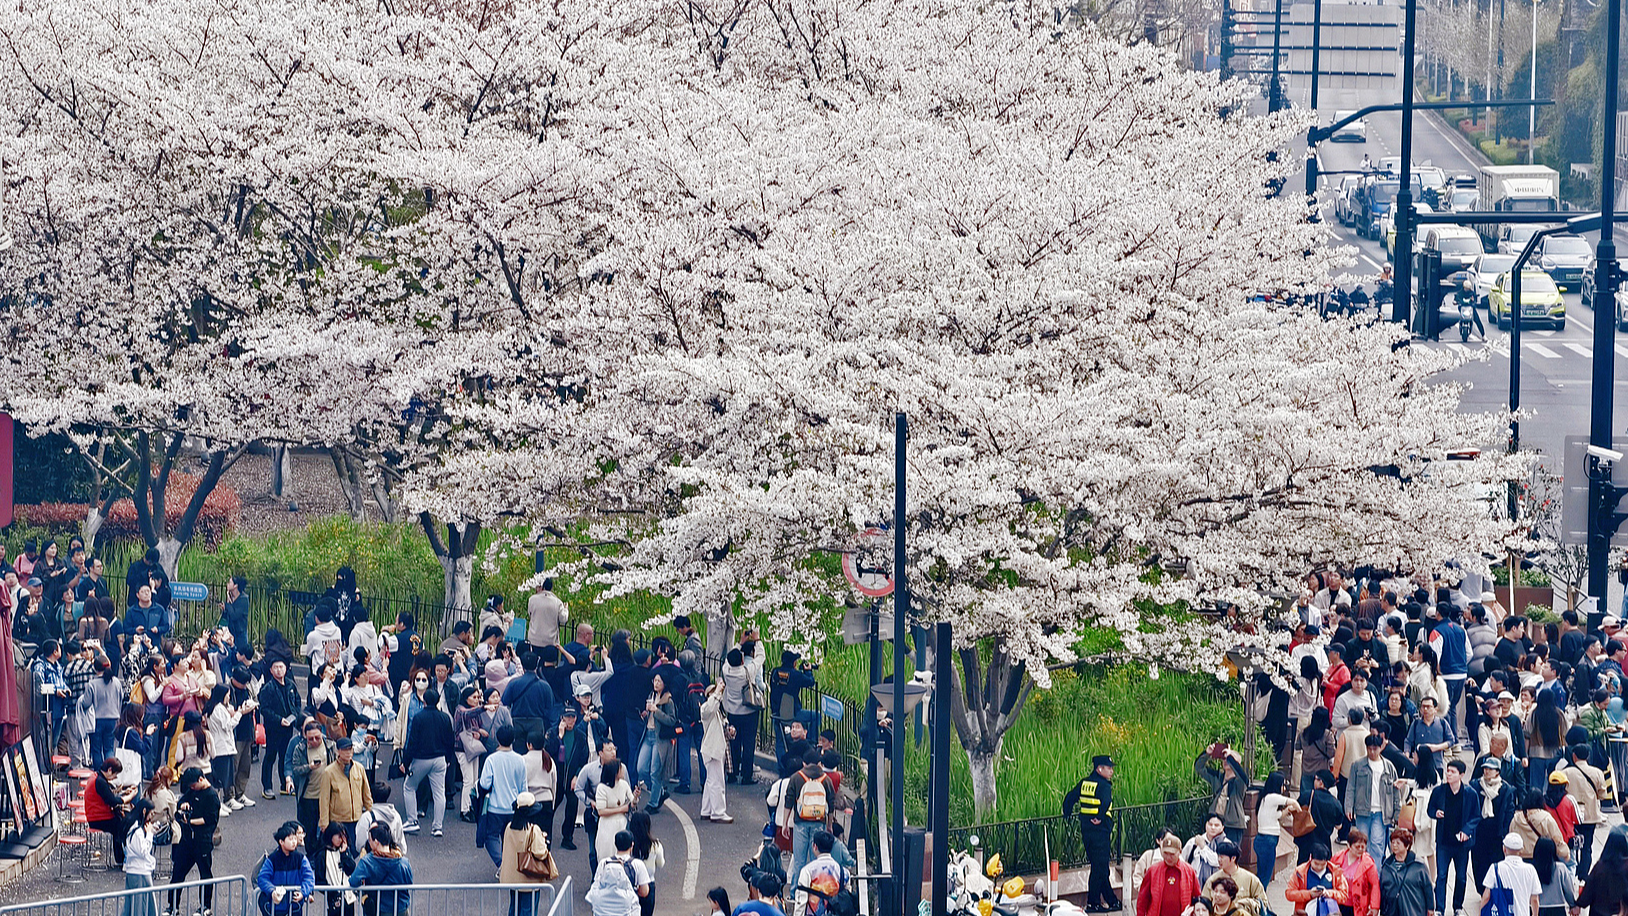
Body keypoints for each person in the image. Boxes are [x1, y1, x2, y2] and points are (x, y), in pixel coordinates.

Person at [1427, 759, 1480, 916]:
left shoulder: (1470, 794)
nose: (1448, 774)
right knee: (1441, 875)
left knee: (1462, 877)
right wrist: (1435, 813)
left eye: (1452, 772)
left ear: (1461, 775)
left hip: (1462, 844)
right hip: (1444, 841)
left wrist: (1466, 831)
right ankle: (1440, 908)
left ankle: (1457, 906)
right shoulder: (1439, 791)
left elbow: (1476, 816)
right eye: (1447, 771)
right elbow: (1430, 808)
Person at [168, 768, 222, 916]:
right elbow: (182, 801)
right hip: (187, 841)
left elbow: (209, 820)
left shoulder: (212, 796)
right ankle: (172, 906)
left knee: (205, 874)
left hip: (202, 841)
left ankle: (205, 907)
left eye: (193, 785)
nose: (191, 788)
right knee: (178, 873)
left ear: (200, 779)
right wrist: (182, 806)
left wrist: (190, 821)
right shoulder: (192, 791)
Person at [401, 687, 452, 838]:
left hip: (421, 759)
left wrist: (406, 761)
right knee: (439, 793)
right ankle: (437, 827)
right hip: (440, 759)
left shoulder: (419, 717)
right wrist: (448, 759)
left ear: (424, 700)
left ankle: (412, 821)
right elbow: (450, 740)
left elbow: (412, 741)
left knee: (409, 787)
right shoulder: (444, 717)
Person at [480, 725, 531, 867]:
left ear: (497, 739)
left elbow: (484, 783)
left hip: (495, 807)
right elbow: (523, 787)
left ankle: (501, 864)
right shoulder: (520, 759)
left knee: (491, 837)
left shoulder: (491, 759)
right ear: (513, 740)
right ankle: (510, 866)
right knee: (510, 838)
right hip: (514, 807)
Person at [781, 749, 835, 886]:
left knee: (799, 860)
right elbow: (831, 804)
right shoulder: (826, 779)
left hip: (800, 822)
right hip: (819, 822)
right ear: (819, 763)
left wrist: (785, 823)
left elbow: (788, 802)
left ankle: (796, 891)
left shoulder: (796, 778)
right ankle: (814, 890)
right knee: (815, 860)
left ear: (803, 763)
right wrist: (829, 825)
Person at [500, 792, 554, 916]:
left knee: (514, 907)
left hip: (512, 878)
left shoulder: (509, 827)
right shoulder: (533, 830)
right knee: (528, 910)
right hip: (529, 879)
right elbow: (541, 853)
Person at [317, 737, 373, 850]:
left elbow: (366, 794)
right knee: (338, 850)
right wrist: (324, 822)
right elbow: (324, 799)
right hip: (338, 820)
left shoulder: (359, 768)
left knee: (355, 849)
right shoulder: (329, 772)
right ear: (338, 751)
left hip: (356, 819)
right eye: (345, 750)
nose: (348, 753)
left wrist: (371, 815)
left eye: (350, 749)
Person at [291, 721, 336, 859]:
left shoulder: (330, 746)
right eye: (311, 738)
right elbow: (295, 769)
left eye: (317, 737)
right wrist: (309, 767)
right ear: (305, 736)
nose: (314, 741)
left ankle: (322, 856)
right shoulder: (300, 749)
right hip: (308, 797)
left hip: (326, 796)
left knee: (325, 828)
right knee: (309, 830)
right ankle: (311, 856)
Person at [348, 824, 414, 916]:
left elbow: (353, 881)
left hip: (380, 909)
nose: (369, 842)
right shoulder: (404, 863)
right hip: (401, 908)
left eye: (370, 839)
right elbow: (409, 882)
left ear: (376, 842)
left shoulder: (367, 862)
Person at [1558, 744, 1604, 873]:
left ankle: (1573, 869)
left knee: (1572, 844)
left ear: (1574, 756)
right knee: (1587, 846)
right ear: (1588, 756)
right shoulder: (1597, 772)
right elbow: (1602, 794)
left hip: (1571, 815)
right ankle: (1583, 875)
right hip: (1591, 815)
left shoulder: (1566, 772)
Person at [261, 659, 301, 799]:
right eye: (275, 668)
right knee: (270, 756)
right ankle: (267, 786)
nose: (279, 670)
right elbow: (264, 709)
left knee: (285, 756)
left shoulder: (291, 685)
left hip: (288, 726)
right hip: (274, 728)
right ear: (271, 670)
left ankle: (285, 784)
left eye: (281, 667)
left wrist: (294, 716)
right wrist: (279, 720)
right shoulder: (268, 688)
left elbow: (297, 702)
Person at [257, 821, 317, 916]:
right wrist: (272, 891)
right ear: (281, 842)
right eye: (290, 839)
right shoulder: (272, 859)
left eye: (294, 839)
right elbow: (262, 878)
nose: (294, 842)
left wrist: (303, 892)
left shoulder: (300, 858)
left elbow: (309, 878)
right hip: (273, 906)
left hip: (294, 906)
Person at [587, 830, 652, 916]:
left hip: (604, 911)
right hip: (628, 910)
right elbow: (644, 892)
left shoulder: (604, 863)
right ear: (632, 845)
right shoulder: (638, 864)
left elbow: (597, 885)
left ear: (615, 844)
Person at [87, 756, 136, 866]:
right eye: (115, 774)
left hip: (97, 815)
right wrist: (128, 797)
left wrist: (122, 792)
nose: (115, 777)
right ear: (109, 770)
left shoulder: (97, 777)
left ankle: (121, 857)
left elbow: (109, 795)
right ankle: (121, 858)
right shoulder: (100, 782)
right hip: (98, 818)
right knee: (122, 825)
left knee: (121, 822)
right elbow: (112, 801)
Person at [1475, 834, 1540, 916]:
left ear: (1504, 849)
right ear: (1521, 850)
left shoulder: (1495, 868)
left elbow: (1486, 896)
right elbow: (1534, 899)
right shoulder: (1530, 869)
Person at [1136, 833, 1200, 916]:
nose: (1168, 857)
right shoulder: (1153, 870)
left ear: (1180, 852)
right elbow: (1142, 899)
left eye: (1172, 854)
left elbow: (1197, 897)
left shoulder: (1189, 871)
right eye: (1165, 853)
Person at [698, 680, 733, 824]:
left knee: (710, 780)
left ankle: (706, 810)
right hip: (712, 749)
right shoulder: (706, 708)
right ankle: (718, 812)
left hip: (716, 748)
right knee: (717, 781)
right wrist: (717, 691)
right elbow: (709, 707)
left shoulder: (719, 713)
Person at [792, 830, 849, 916]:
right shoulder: (844, 872)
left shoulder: (807, 871)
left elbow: (801, 902)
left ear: (814, 846)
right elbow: (846, 899)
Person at [1253, 772, 1297, 883]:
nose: (1284, 788)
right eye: (1283, 785)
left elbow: (1276, 816)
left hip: (1262, 840)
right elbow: (1292, 801)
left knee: (1262, 873)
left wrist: (1286, 811)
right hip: (1268, 840)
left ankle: (1259, 898)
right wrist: (1302, 813)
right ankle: (1260, 899)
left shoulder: (1265, 799)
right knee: (1265, 876)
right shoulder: (1272, 797)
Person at [1203, 840, 1267, 916]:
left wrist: (1246, 903)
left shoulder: (1250, 878)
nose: (1219, 860)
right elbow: (1204, 903)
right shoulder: (1213, 879)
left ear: (1233, 858)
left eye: (1222, 857)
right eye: (1218, 856)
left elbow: (1263, 902)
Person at [1377, 828, 1431, 916]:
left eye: (1398, 843)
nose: (1394, 845)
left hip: (1414, 910)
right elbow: (1383, 890)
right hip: (1392, 911)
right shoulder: (1387, 866)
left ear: (1406, 845)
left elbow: (1427, 888)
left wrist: (1430, 907)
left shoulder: (1419, 866)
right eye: (1392, 842)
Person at [595, 760, 637, 872]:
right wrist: (622, 809)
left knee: (623, 856)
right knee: (606, 854)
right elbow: (601, 811)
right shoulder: (602, 788)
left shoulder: (623, 784)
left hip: (622, 824)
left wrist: (636, 797)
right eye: (620, 768)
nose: (623, 770)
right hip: (607, 826)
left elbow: (632, 803)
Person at [1286, 843, 1351, 916]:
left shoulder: (1336, 872)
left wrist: (1329, 893)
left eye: (1323, 865)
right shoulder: (1299, 872)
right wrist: (1309, 894)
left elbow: (1344, 895)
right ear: (1310, 858)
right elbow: (1289, 894)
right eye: (1316, 864)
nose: (1319, 867)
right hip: (1306, 912)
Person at [1576, 830, 1628, 916]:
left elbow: (1589, 888)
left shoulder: (1600, 867)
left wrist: (1579, 904)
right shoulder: (1626, 867)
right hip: (1620, 911)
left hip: (1598, 911)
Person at [123, 799, 159, 916]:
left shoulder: (131, 825)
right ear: (144, 811)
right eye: (151, 813)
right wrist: (149, 834)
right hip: (140, 872)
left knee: (132, 906)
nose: (151, 817)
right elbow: (143, 851)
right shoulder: (137, 831)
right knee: (141, 907)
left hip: (132, 870)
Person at [1332, 829, 1380, 916]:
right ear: (1348, 846)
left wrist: (1374, 907)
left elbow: (1375, 885)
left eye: (1363, 847)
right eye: (1357, 847)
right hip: (1338, 903)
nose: (1361, 850)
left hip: (1358, 906)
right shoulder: (1337, 858)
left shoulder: (1368, 863)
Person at [313, 824, 357, 916]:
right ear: (331, 835)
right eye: (339, 836)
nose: (341, 839)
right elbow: (319, 879)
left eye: (343, 837)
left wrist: (344, 854)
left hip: (348, 897)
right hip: (333, 898)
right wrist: (332, 892)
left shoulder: (345, 851)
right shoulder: (321, 855)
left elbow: (351, 869)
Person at [629, 811, 664, 916]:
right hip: (649, 883)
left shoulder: (629, 844)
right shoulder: (655, 845)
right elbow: (661, 864)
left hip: (631, 884)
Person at [1528, 837, 1575, 916]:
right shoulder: (1560, 868)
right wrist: (1573, 905)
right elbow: (1568, 890)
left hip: (1534, 908)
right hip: (1557, 909)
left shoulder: (1530, 869)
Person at [525, 579, 568, 654]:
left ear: (542, 587)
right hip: (550, 641)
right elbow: (563, 619)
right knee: (548, 663)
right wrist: (566, 610)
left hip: (534, 639)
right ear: (551, 588)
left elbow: (530, 613)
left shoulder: (532, 599)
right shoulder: (557, 602)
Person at [1183, 814, 1225, 886]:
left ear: (1222, 828)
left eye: (1216, 825)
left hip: (1218, 884)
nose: (1213, 827)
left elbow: (1217, 861)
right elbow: (1183, 859)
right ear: (1206, 825)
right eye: (1210, 824)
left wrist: (1203, 847)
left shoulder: (1226, 843)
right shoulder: (1194, 842)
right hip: (1194, 882)